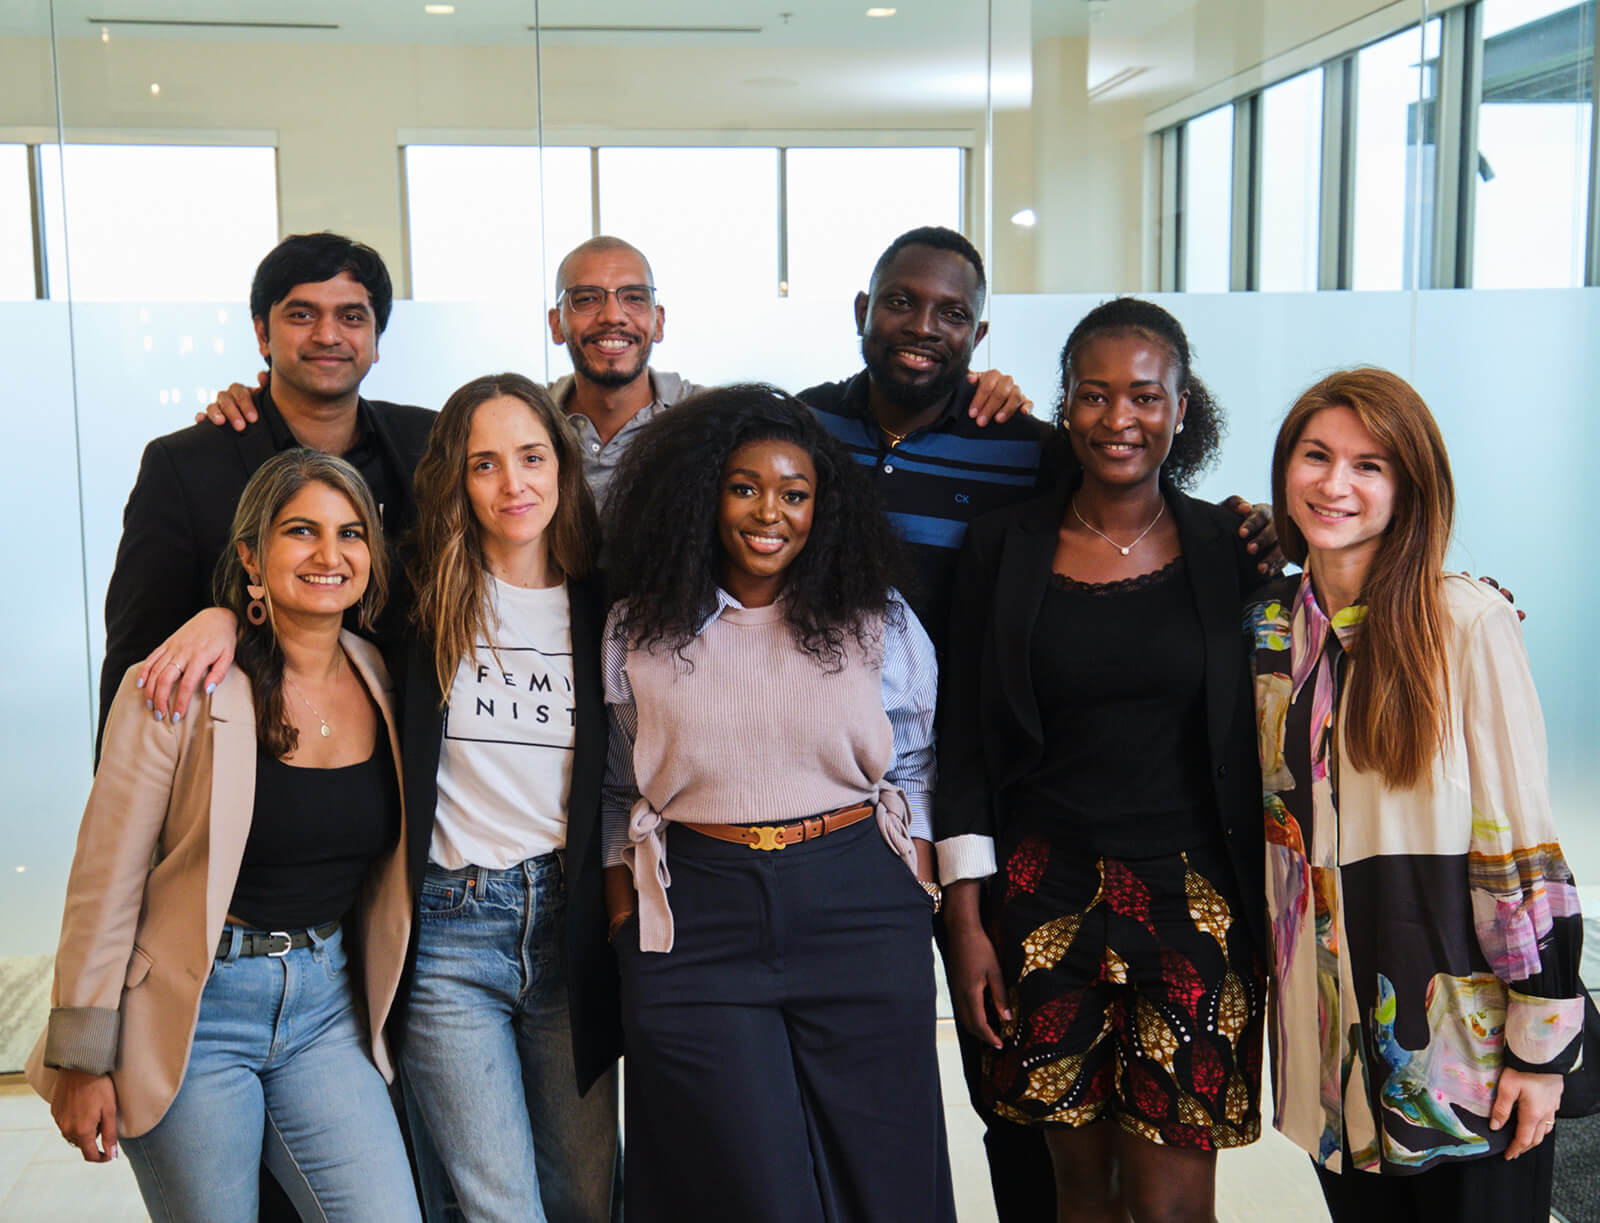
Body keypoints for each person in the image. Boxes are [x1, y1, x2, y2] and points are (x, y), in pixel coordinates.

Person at [936, 298, 1269, 1223]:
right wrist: (964, 922)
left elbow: (1330, 634)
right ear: (1066, 405)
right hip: (1040, 898)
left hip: (1194, 906)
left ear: (1181, 408)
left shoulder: (1228, 546)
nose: (1119, 418)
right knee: (1078, 1194)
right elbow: (962, 738)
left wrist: (1464, 602)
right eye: (1093, 395)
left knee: (1171, 1202)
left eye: (1145, 396)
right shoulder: (1004, 546)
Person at [30, 450, 422, 1223]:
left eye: (350, 534)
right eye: (300, 531)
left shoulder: (382, 675)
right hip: (195, 1009)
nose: (328, 554)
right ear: (250, 553)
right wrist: (80, 1057)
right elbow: (104, 879)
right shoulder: (180, 684)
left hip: (323, 1008)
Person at [600, 384, 954, 1222]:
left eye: (795, 493)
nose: (771, 512)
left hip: (858, 906)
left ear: (821, 507)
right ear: (702, 494)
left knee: (886, 1176)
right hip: (697, 914)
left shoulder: (878, 620)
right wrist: (624, 924)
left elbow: (919, 761)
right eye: (745, 486)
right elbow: (618, 784)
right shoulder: (638, 627)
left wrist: (918, 891)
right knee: (748, 1189)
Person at [1245, 369, 1583, 1222]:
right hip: (1328, 1048)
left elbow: (1520, 850)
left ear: (1410, 486)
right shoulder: (1265, 631)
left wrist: (1541, 1053)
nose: (1334, 484)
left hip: (1461, 1052)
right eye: (1316, 456)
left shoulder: (1465, 622)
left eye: (1369, 465)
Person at [392, 372, 620, 1220]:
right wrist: (226, 614)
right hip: (452, 931)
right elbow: (304, 596)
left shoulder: (603, 607)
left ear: (562, 465)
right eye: (484, 464)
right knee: (499, 1205)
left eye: (530, 456)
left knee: (588, 1199)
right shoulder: (417, 600)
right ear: (458, 478)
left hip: (569, 927)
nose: (512, 483)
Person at [111, 231, 435, 733]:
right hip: (243, 762)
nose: (328, 335)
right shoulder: (184, 465)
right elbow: (136, 656)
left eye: (352, 317)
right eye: (302, 315)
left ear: (375, 342)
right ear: (262, 334)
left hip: (398, 761)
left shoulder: (429, 446)